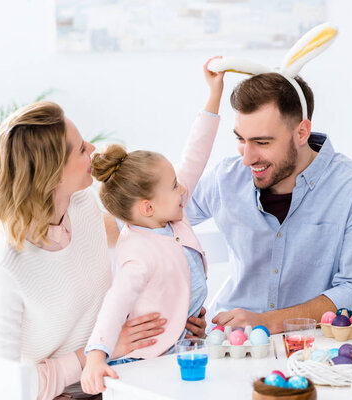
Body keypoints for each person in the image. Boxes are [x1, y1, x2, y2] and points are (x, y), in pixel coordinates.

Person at [0, 100, 206, 399]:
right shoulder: (5, 262)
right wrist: (95, 355)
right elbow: (1, 385)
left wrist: (179, 311)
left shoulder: (83, 205)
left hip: (119, 377)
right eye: (79, 149)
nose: (92, 149)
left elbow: (145, 234)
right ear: (53, 174)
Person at [186, 72, 352, 334]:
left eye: (262, 142)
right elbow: (150, 216)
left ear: (301, 132)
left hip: (310, 348)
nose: (247, 158)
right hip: (225, 342)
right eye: (241, 139)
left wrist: (269, 322)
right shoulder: (225, 179)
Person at [79, 60, 224, 395]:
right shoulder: (139, 254)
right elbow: (113, 307)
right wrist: (96, 357)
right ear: (147, 206)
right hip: (145, 361)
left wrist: (214, 95)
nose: (183, 189)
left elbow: (194, 156)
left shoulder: (170, 213)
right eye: (174, 185)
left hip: (179, 348)